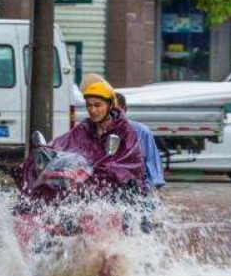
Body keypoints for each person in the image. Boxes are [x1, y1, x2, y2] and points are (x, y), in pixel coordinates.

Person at [18, 76, 146, 204]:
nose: (93, 110)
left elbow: (129, 162)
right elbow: (63, 143)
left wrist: (105, 169)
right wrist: (47, 151)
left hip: (115, 191)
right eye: (89, 105)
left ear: (110, 105)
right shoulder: (84, 128)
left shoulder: (125, 130)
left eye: (97, 105)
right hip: (81, 185)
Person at [115, 92, 166, 190]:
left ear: (124, 110)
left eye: (116, 111)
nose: (113, 115)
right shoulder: (99, 133)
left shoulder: (142, 132)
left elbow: (152, 162)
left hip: (139, 187)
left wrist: (155, 187)